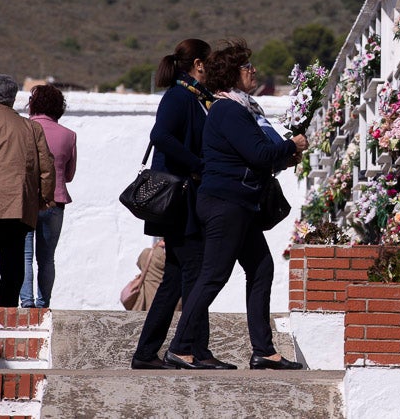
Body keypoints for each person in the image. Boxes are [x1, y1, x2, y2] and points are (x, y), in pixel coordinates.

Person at [164, 39, 307, 371]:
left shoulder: (242, 109)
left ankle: (263, 350)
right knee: (213, 275)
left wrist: (285, 153)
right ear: (231, 74)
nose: (253, 71)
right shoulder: (229, 110)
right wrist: (291, 145)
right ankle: (180, 347)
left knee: (261, 269)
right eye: (246, 67)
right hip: (226, 204)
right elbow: (259, 154)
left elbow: (259, 157)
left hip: (239, 204)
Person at [131, 39, 234, 370]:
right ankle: (192, 350)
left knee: (176, 278)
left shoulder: (197, 99)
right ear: (199, 64)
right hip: (180, 201)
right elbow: (161, 136)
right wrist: (196, 165)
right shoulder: (178, 97)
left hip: (188, 200)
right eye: (210, 63)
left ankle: (147, 353)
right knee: (197, 272)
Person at [0, 75, 55, 307]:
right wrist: (44, 198)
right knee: (13, 262)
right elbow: (46, 168)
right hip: (19, 206)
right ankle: (7, 309)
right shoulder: (31, 128)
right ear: (13, 99)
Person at [20, 84, 78, 308]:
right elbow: (69, 175)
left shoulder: (25, 129)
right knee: (46, 258)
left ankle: (26, 302)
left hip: (27, 201)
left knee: (25, 255)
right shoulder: (69, 135)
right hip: (56, 201)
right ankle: (43, 304)